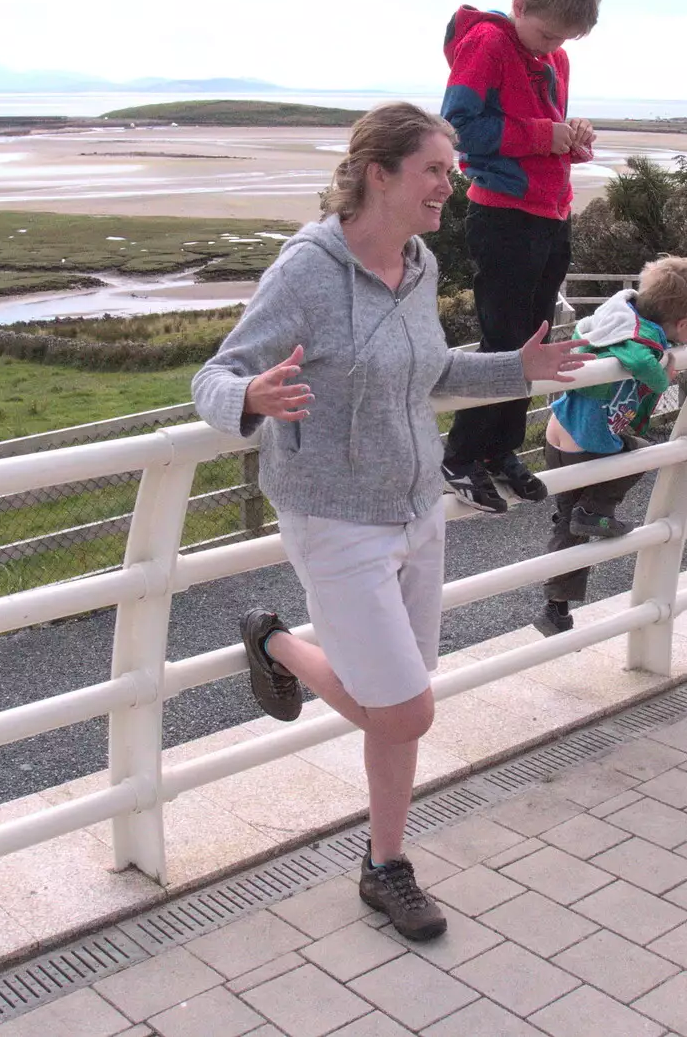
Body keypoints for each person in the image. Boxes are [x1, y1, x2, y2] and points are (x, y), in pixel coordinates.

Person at [190, 103, 590, 941]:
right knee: (405, 709)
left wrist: (516, 369)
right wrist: (250, 399)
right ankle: (275, 644)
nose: (453, 183)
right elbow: (214, 375)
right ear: (381, 174)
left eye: (452, 170)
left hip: (416, 507)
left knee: (401, 698)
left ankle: (386, 864)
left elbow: (433, 369)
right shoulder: (306, 270)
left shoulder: (421, 263)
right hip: (333, 515)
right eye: (437, 170)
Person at [438, 0, 602, 514]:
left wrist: (570, 135)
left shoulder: (553, 58)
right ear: (518, 5)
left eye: (564, 40)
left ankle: (499, 451)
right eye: (547, 35)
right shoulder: (487, 43)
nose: (554, 48)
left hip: (551, 213)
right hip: (502, 215)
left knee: (533, 341)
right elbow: (457, 127)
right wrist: (543, 134)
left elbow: (545, 131)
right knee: (503, 341)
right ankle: (459, 456)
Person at [534, 256, 687, 636]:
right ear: (680, 324)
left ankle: (556, 608)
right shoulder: (635, 336)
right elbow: (640, 362)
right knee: (640, 456)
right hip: (588, 440)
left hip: (561, 433)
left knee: (570, 525)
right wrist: (662, 370)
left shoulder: (632, 312)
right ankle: (591, 512)